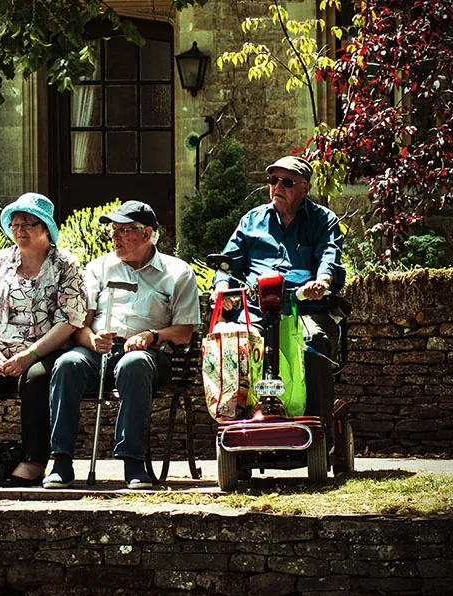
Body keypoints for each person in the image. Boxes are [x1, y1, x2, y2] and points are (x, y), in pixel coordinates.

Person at [43, 200, 201, 490]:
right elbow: (78, 323)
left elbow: (185, 332)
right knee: (67, 364)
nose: (114, 237)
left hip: (148, 353)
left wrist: (152, 335)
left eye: (124, 230)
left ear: (146, 234)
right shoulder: (98, 268)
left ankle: (133, 462)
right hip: (98, 349)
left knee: (134, 364)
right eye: (113, 230)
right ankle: (61, 461)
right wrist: (92, 339)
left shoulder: (177, 272)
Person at [0, 193, 87, 487]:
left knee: (37, 381)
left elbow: (70, 320)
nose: (20, 230)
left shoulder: (66, 264)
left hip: (44, 348)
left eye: (29, 224)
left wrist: (30, 355)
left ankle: (34, 459)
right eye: (15, 224)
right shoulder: (0, 261)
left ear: (46, 229)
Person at [213, 155, 345, 428]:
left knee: (315, 342)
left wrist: (321, 282)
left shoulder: (323, 220)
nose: (278, 187)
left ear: (306, 188)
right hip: (256, 308)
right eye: (273, 180)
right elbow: (228, 263)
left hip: (303, 306)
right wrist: (223, 287)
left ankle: (321, 427)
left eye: (287, 182)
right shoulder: (252, 220)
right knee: (233, 345)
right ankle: (234, 423)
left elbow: (329, 255)